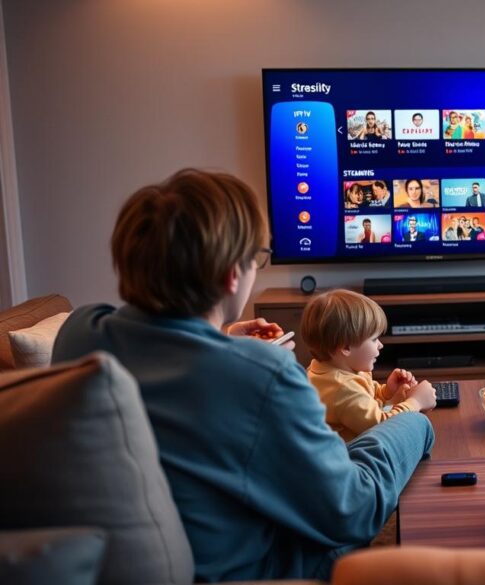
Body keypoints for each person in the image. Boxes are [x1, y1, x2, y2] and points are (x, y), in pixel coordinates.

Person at [51, 169, 434, 582]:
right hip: (251, 571)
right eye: (258, 259)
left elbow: (162, 350)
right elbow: (351, 509)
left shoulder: (79, 334)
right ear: (232, 274)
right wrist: (414, 419)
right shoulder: (265, 375)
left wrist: (219, 339)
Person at [303, 290, 437, 442]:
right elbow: (382, 427)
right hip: (353, 453)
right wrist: (416, 402)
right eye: (374, 339)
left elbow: (366, 398)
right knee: (424, 431)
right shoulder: (342, 388)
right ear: (346, 347)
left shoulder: (334, 369)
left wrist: (387, 392)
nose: (380, 345)